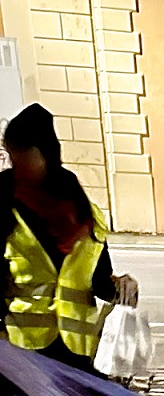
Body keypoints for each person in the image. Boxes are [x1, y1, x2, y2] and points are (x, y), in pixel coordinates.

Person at [0, 103, 138, 371]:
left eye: (23, 155)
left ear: (46, 153)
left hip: (78, 355)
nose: (16, 165)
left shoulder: (82, 210)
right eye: (11, 156)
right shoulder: (3, 202)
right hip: (23, 355)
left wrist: (121, 287)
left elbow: (98, 281)